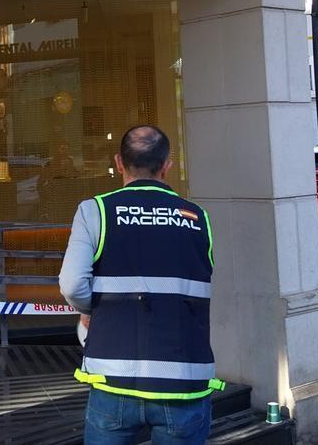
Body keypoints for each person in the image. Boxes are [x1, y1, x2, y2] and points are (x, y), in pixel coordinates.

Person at [58, 125, 223, 445]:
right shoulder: (198, 218)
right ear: (167, 166)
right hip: (183, 380)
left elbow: (72, 284)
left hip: (113, 378)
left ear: (119, 162)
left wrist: (93, 310)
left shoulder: (96, 211)